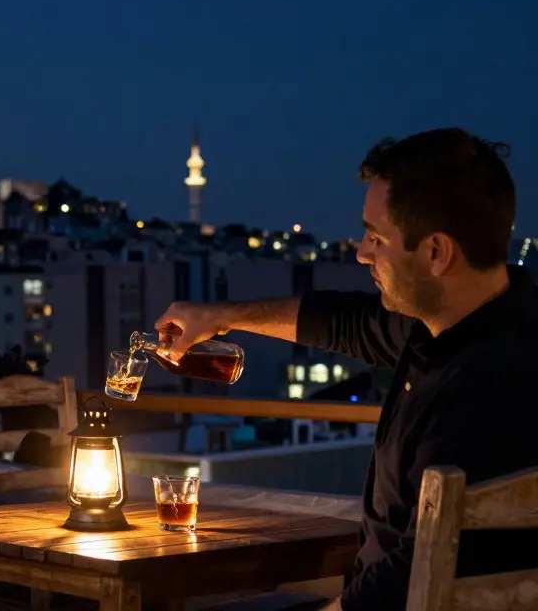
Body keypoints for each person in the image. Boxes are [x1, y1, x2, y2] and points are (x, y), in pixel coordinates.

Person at [155, 128, 538, 610]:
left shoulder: (486, 389)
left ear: (437, 253)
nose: (360, 252)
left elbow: (409, 580)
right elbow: (347, 322)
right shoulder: (462, 327)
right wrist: (221, 317)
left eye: (376, 238)